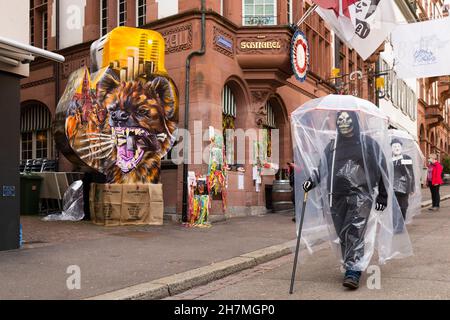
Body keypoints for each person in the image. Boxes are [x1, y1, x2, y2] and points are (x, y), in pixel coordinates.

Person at [302, 110, 387, 290]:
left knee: (354, 232)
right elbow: (322, 167)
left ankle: (353, 271)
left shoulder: (368, 144)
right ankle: (350, 263)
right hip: (336, 197)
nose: (344, 122)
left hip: (361, 196)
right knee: (343, 234)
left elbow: (382, 168)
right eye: (340, 119)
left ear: (355, 122)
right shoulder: (333, 146)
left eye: (348, 119)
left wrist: (383, 194)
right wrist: (311, 182)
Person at [391, 139, 415, 232]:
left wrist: (412, 187)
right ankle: (396, 226)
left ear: (401, 147)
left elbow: (410, 173)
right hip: (392, 188)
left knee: (403, 207)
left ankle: (401, 224)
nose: (396, 148)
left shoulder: (406, 158)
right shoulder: (389, 159)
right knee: (394, 208)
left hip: (405, 188)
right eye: (394, 146)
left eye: (398, 146)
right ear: (391, 148)